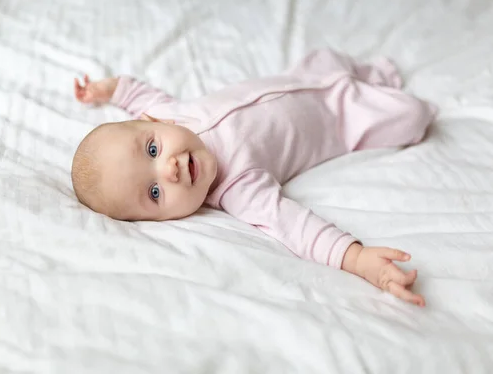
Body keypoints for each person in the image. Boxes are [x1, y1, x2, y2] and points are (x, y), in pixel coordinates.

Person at [71, 49, 438, 307]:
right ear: (161, 220)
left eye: (152, 150)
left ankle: (377, 74)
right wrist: (358, 260)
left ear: (154, 123)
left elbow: (139, 96)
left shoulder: (171, 114)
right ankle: (385, 93)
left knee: (332, 59)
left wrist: (108, 89)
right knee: (412, 116)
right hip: (341, 117)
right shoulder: (238, 189)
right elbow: (296, 227)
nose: (170, 168)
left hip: (304, 77)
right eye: (154, 192)